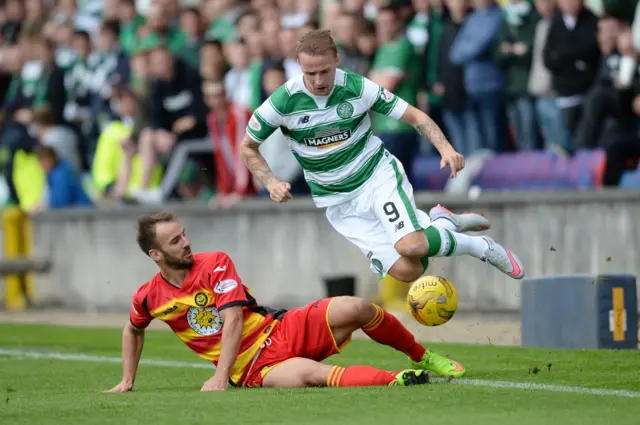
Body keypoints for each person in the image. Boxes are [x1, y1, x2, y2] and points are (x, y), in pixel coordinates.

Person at [239, 30, 525, 284]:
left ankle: (481, 247)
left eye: (324, 71)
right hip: (338, 203)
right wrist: (270, 181)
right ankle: (443, 224)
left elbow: (413, 115)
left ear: (337, 60)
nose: (317, 80)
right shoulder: (282, 101)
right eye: (309, 73)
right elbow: (247, 147)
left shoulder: (357, 87)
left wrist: (445, 148)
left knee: (411, 245)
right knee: (409, 270)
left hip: (376, 177)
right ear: (299, 66)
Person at [106, 212, 465, 393]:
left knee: (357, 307)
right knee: (311, 376)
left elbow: (232, 320)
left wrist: (217, 376)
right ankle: (399, 380)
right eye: (174, 241)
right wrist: (127, 379)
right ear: (155, 254)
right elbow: (132, 329)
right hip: (251, 370)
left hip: (279, 328)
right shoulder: (149, 296)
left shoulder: (214, 261)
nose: (185, 243)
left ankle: (424, 357)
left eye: (183, 234)